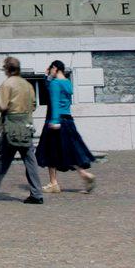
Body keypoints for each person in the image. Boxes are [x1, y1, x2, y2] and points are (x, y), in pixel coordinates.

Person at [0, 56, 45, 204]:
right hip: (26, 125)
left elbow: (3, 105)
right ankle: (37, 193)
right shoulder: (27, 84)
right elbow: (33, 105)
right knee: (30, 160)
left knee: (2, 159)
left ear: (7, 69)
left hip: (11, 126)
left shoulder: (7, 84)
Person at [36, 60, 96, 194]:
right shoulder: (68, 83)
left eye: (51, 68)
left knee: (50, 151)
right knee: (68, 150)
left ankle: (53, 183)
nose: (50, 70)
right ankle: (85, 174)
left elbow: (54, 102)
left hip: (56, 120)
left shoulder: (55, 83)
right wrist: (48, 78)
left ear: (55, 68)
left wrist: (55, 121)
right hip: (68, 119)